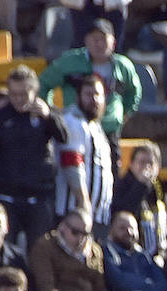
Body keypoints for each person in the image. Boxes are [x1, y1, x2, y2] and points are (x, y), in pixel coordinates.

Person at [37, 19, 143, 173]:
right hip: (75, 129)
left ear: (113, 42)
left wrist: (123, 116)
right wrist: (51, 113)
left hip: (109, 130)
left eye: (103, 39)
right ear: (86, 41)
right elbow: (44, 83)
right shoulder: (70, 62)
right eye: (94, 39)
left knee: (109, 175)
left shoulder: (122, 66)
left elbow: (134, 93)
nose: (99, 44)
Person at [0, 65, 68, 247]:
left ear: (35, 91)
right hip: (6, 197)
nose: (19, 99)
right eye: (14, 94)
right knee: (4, 249)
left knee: (40, 251)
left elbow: (63, 137)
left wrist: (49, 117)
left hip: (38, 197)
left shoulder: (46, 113)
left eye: (24, 93)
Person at [28, 207, 137, 291]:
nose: (80, 238)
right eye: (75, 233)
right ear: (62, 227)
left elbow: (99, 290)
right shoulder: (45, 246)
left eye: (85, 234)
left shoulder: (94, 251)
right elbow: (45, 288)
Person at [55, 73, 114, 236]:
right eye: (88, 94)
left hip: (96, 214)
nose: (94, 99)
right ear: (78, 97)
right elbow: (72, 162)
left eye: (98, 95)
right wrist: (84, 202)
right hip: (75, 213)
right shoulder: (73, 121)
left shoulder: (95, 127)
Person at [109, 139, 167, 261]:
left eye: (151, 163)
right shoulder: (121, 186)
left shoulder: (159, 190)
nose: (146, 167)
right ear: (132, 165)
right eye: (142, 162)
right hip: (131, 254)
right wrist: (141, 186)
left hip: (160, 255)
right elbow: (122, 214)